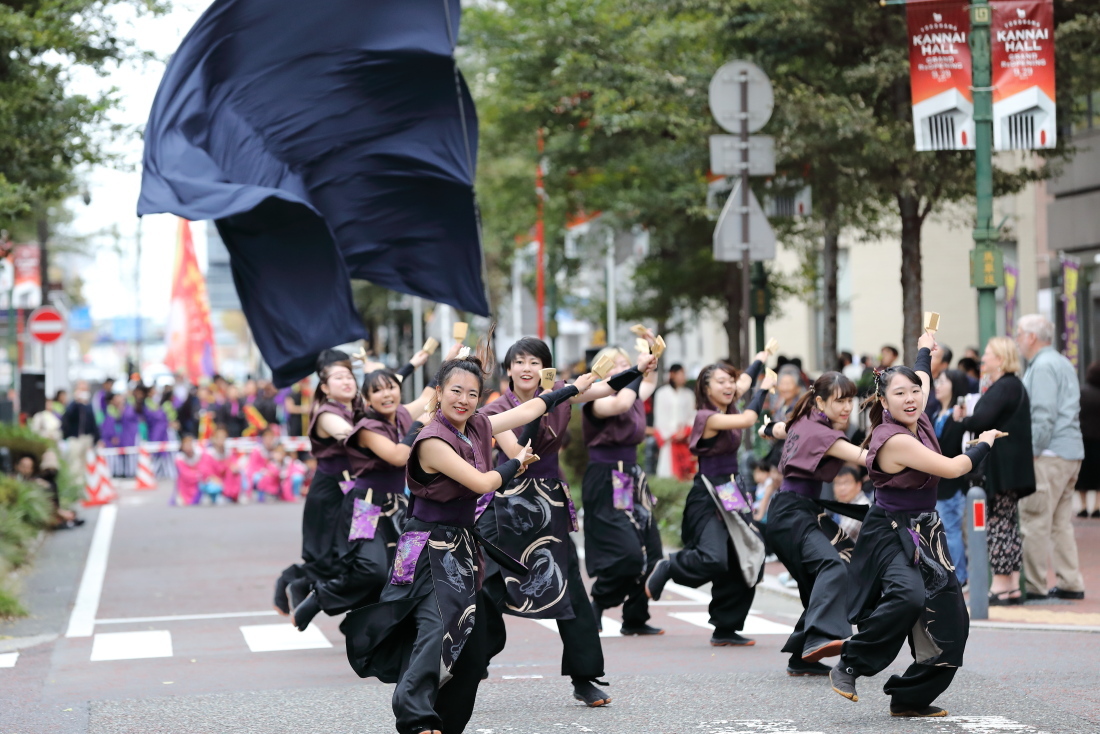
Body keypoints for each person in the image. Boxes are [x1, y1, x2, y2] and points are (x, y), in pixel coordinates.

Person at [342, 347, 592, 734]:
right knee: (435, 628)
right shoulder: (431, 441)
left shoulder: (476, 424)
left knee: (472, 653)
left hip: (459, 546)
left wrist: (567, 389)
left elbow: (527, 411)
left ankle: (444, 723)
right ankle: (415, 717)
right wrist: (516, 463)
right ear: (438, 392)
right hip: (425, 545)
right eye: (456, 391)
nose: (464, 400)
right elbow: (482, 482)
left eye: (472, 394)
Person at [480, 337, 657, 707]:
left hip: (548, 505)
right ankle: (471, 658)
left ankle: (585, 677)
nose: (527, 368)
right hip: (506, 504)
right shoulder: (497, 409)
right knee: (487, 586)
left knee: (570, 589)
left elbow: (605, 388)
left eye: (535, 361)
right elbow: (519, 455)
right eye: (520, 362)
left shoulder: (562, 392)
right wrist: (542, 407)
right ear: (509, 369)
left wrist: (638, 370)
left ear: (547, 368)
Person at [830, 335, 1001, 717]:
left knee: (953, 620)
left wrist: (925, 348)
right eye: (900, 393)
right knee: (908, 597)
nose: (910, 398)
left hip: (927, 530)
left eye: (914, 392)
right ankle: (851, 662)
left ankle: (910, 697)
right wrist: (984, 442)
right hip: (891, 530)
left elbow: (921, 374)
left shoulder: (919, 414)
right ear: (884, 401)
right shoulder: (892, 438)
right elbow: (956, 467)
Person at [289, 365, 432, 631]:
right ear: (367, 400)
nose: (386, 394)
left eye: (390, 387)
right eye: (377, 390)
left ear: (399, 390)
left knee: (406, 571)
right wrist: (419, 424)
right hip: (365, 505)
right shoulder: (367, 427)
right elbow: (398, 455)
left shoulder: (401, 415)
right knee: (372, 569)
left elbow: (428, 396)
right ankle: (320, 598)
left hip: (399, 505)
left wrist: (450, 362)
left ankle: (377, 627)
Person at [646, 358, 776, 649]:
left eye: (731, 380)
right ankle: (670, 566)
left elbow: (743, 381)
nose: (730, 385)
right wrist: (764, 389)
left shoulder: (727, 405)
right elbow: (749, 420)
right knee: (714, 557)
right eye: (721, 381)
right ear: (706, 388)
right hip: (707, 493)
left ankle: (726, 626)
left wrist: (759, 361)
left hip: (731, 491)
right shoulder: (707, 416)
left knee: (746, 555)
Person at [759, 371, 865, 677]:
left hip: (795, 511)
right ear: (819, 401)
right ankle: (819, 638)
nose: (847, 407)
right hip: (793, 514)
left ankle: (802, 658)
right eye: (840, 401)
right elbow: (867, 458)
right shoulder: (824, 435)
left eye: (850, 400)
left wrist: (767, 427)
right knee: (834, 567)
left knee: (822, 581)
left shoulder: (803, 420)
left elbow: (779, 428)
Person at [273, 349, 364, 616]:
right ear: (324, 384)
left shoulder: (361, 407)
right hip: (332, 492)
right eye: (338, 375)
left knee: (364, 554)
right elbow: (356, 438)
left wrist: (422, 362)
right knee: (329, 558)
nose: (346, 380)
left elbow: (404, 399)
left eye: (349, 374)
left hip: (363, 493)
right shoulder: (326, 413)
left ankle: (361, 616)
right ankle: (292, 581)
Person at [581, 345, 663, 636]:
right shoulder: (595, 400)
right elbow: (621, 405)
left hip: (628, 476)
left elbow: (647, 384)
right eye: (614, 364)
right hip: (606, 476)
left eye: (625, 363)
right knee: (626, 551)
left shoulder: (633, 389)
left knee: (650, 547)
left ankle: (635, 615)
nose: (621, 368)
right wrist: (637, 371)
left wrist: (652, 358)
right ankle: (599, 602)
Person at [952, 337, 1034, 604]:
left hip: (1001, 467)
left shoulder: (1003, 386)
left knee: (997, 523)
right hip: (1013, 467)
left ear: (1000, 359)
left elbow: (981, 419)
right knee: (1007, 523)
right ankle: (1011, 583)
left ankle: (1000, 584)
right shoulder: (1015, 386)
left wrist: (962, 419)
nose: (982, 359)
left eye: (987, 354)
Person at [1015, 315, 1086, 601]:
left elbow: (1042, 414)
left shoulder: (1042, 367)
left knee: (1034, 520)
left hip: (1048, 453)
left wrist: (1031, 452)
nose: (1017, 339)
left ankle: (1035, 585)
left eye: (1019, 333)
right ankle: (1071, 582)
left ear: (1031, 337)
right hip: (1069, 451)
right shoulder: (1061, 362)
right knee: (1060, 523)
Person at [931, 369, 973, 587]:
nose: (938, 385)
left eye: (943, 381)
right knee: (943, 531)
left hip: (952, 484)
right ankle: (952, 575)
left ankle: (960, 577)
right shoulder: (936, 414)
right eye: (937, 381)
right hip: (938, 483)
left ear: (954, 386)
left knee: (951, 530)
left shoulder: (958, 417)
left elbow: (952, 448)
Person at [653, 364, 696, 480]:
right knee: (668, 469)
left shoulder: (689, 394)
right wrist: (670, 434)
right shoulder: (661, 393)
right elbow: (659, 417)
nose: (684, 377)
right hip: (669, 439)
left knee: (686, 471)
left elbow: (692, 416)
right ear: (672, 375)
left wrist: (685, 432)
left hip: (684, 438)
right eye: (681, 374)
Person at [62, 381, 100, 486]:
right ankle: (74, 485)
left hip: (87, 438)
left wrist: (97, 438)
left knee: (85, 462)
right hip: (75, 438)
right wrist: (76, 402)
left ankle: (84, 485)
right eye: (81, 389)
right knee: (74, 462)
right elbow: (67, 417)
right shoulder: (72, 404)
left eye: (85, 389)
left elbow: (93, 422)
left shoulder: (89, 405)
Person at [1077, 361, 1100, 518]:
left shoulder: (1082, 393)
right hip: (1099, 440)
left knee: (1083, 475)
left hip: (1083, 439)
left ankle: (1083, 506)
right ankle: (1097, 505)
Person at [831, 466, 870, 541]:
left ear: (858, 485)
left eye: (846, 483)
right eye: (838, 483)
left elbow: (838, 538)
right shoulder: (844, 504)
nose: (842, 488)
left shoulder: (862, 506)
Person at [174, 434, 204, 506]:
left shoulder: (200, 456)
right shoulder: (179, 459)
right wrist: (197, 474)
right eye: (186, 445)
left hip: (198, 486)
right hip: (184, 487)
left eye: (189, 444)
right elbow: (185, 474)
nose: (188, 447)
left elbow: (204, 471)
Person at [924, 345, 953, 418]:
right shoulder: (919, 381)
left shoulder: (949, 386)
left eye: (933, 357)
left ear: (944, 365)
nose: (927, 359)